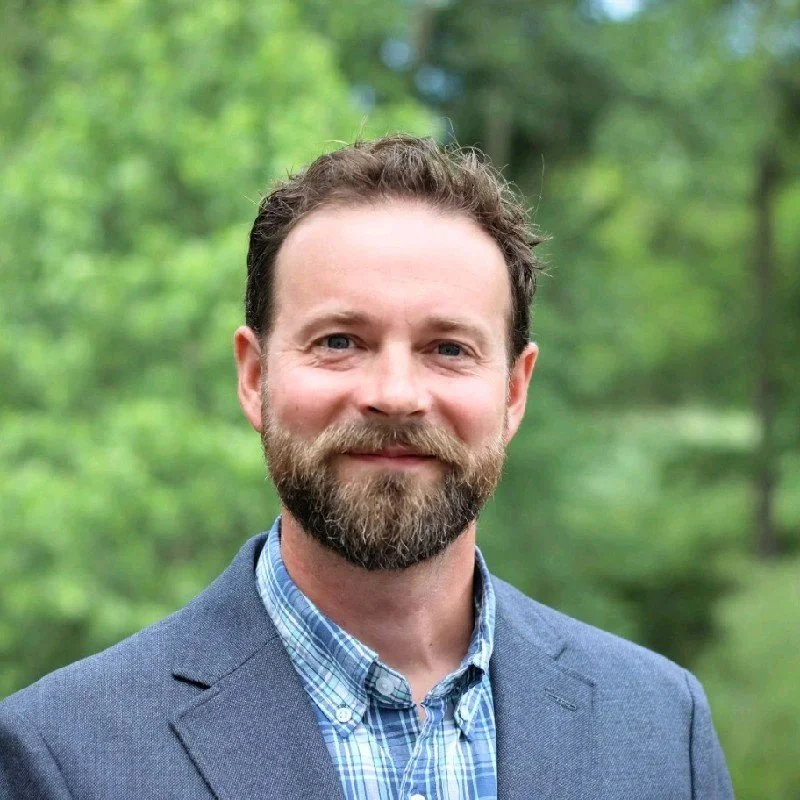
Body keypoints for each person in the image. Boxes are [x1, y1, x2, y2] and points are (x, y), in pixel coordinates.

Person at [0, 136, 733, 799]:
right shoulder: (61, 755)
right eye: (340, 341)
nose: (395, 395)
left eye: (449, 349)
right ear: (254, 377)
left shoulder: (662, 727)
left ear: (514, 392)